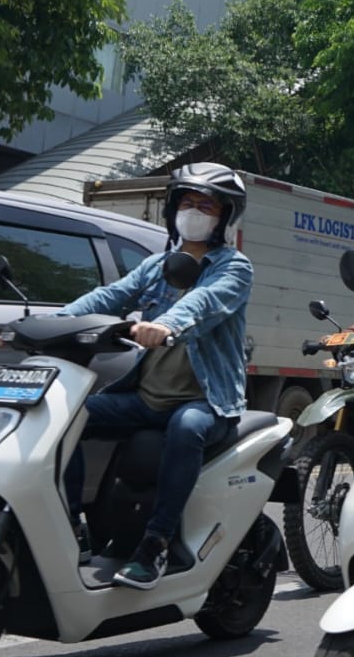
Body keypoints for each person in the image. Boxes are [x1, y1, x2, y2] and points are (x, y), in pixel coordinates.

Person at [60, 163, 253, 588]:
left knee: (186, 428)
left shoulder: (234, 268)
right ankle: (72, 525)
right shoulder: (156, 266)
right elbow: (109, 296)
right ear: (172, 209)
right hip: (145, 399)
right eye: (187, 202)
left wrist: (165, 325)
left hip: (206, 402)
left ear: (224, 217)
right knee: (66, 416)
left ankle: (156, 543)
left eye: (206, 205)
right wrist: (52, 323)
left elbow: (202, 303)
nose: (194, 211)